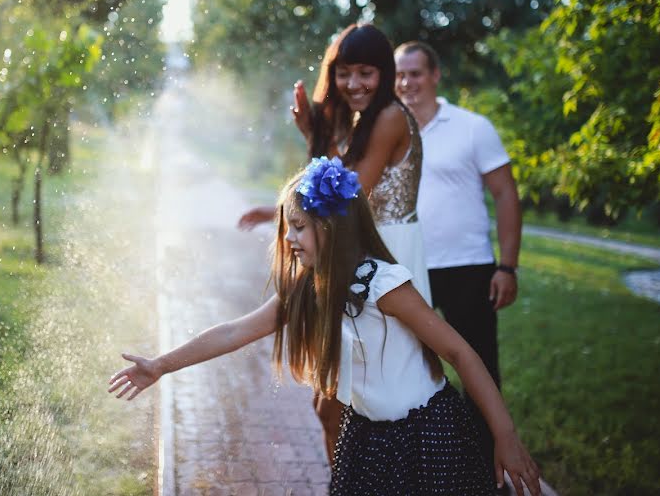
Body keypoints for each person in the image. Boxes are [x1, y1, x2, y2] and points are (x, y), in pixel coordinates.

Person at [110, 158, 541, 496]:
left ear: (330, 228)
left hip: (427, 437)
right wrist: (161, 365)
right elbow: (233, 332)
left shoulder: (382, 284)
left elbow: (460, 353)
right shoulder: (308, 287)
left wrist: (505, 437)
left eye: (298, 227)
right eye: (287, 229)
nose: (289, 239)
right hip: (367, 437)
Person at [238, 24, 430, 462]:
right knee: (337, 402)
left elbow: (342, 197)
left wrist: (314, 140)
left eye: (366, 72)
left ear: (384, 72)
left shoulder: (389, 118)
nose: (354, 84)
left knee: (361, 403)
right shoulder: (361, 120)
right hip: (358, 255)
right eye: (344, 73)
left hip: (387, 259)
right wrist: (314, 137)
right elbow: (332, 196)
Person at [394, 40, 522, 471]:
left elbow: (506, 194)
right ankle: (422, 467)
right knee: (407, 367)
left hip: (469, 267)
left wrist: (508, 265)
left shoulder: (472, 127)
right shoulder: (391, 129)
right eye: (400, 74)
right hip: (408, 269)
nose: (407, 82)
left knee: (479, 369)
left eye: (415, 73)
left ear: (435, 75)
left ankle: (489, 470)